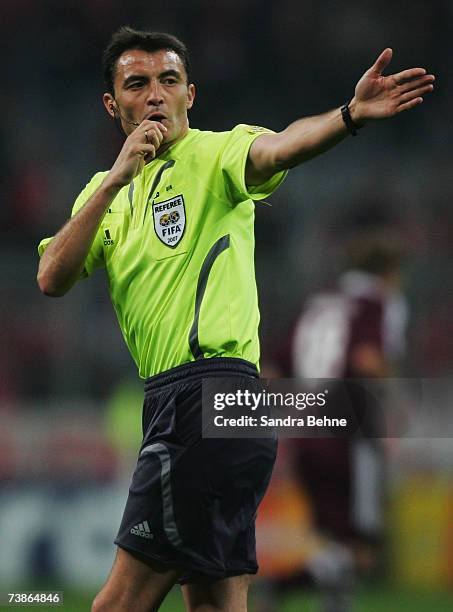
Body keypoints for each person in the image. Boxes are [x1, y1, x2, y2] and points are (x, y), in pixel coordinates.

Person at [36, 26, 434, 612]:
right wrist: (116, 179)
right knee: (216, 604)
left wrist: (348, 115)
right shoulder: (104, 191)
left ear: (189, 95)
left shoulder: (215, 153)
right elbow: (52, 276)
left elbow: (280, 148)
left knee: (116, 604)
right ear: (110, 103)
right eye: (137, 83)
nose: (154, 95)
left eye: (169, 81)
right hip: (206, 407)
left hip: (207, 395)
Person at [289, 233, 408, 612]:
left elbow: (276, 362)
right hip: (346, 434)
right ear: (389, 273)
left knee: (338, 541)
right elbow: (367, 359)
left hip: (305, 433)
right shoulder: (376, 302)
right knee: (363, 545)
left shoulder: (319, 303)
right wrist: (393, 406)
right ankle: (276, 587)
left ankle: (329, 602)